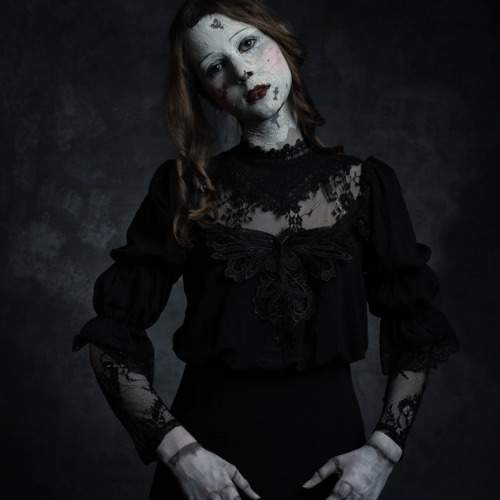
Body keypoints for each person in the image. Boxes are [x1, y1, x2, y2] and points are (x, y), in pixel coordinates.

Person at [72, 1, 461, 499]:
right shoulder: (187, 190)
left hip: (332, 468)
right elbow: (108, 340)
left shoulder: (366, 186)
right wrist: (180, 454)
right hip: (208, 475)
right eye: (215, 67)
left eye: (248, 43)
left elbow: (416, 333)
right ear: (208, 94)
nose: (241, 70)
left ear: (280, 39)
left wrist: (383, 451)